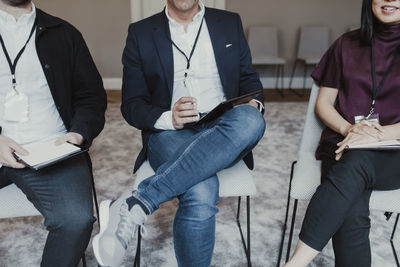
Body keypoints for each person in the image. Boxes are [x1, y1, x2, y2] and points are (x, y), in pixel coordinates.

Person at [92, 0, 266, 266]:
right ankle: (138, 204)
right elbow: (132, 105)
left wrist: (252, 101)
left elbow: (249, 80)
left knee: (252, 118)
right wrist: (169, 118)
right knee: (201, 191)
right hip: (171, 133)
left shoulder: (229, 23)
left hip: (224, 126)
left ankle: (139, 202)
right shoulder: (140, 32)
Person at [284, 0, 400, 266]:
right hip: (344, 143)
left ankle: (294, 264)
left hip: (394, 150)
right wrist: (349, 129)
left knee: (354, 162)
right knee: (351, 209)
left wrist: (377, 134)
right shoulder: (346, 44)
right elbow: (323, 104)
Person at [0, 0, 107, 266]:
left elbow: (91, 97)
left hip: (51, 146)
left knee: (76, 220)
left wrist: (78, 134)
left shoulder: (64, 33)